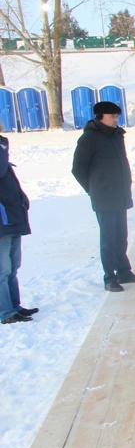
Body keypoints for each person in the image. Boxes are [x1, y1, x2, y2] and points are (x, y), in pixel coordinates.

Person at [72, 101, 135, 292]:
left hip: (120, 194)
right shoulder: (89, 138)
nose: (116, 120)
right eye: (112, 116)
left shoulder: (116, 135)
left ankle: (124, 271)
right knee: (108, 239)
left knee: (121, 236)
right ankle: (109, 277)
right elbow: (78, 169)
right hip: (103, 196)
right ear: (100, 117)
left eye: (117, 116)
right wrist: (94, 188)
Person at [1, 124, 38, 324]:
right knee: (3, 269)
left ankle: (14, 306)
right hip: (3, 221)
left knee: (13, 266)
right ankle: (5, 312)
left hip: (12, 217)